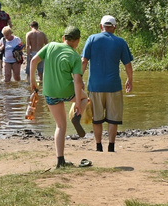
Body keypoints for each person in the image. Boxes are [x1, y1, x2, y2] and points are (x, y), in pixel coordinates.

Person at [30, 26, 87, 168]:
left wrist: (32, 81)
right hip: (67, 91)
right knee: (85, 97)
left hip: (49, 92)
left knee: (60, 126)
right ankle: (76, 116)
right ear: (78, 41)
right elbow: (78, 81)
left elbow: (33, 61)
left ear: (63, 38)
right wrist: (78, 104)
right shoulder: (75, 56)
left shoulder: (50, 46)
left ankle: (60, 161)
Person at [81, 15, 134, 153]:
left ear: (101, 26)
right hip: (114, 86)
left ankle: (98, 147)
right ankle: (111, 147)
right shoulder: (120, 42)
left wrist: (79, 79)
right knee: (113, 119)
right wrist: (130, 79)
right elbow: (128, 65)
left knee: (96, 119)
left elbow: (83, 61)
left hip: (95, 86)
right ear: (114, 28)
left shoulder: (92, 39)